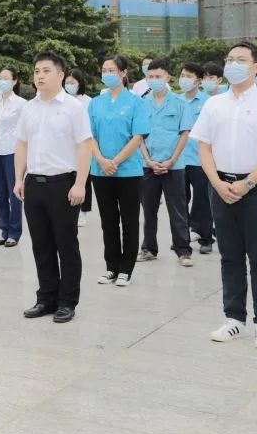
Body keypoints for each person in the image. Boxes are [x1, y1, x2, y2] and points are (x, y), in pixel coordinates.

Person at [190, 41, 257, 351]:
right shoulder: (214, 104)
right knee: (230, 256)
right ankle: (234, 317)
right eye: (230, 59)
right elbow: (204, 147)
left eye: (241, 60)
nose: (233, 64)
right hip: (221, 187)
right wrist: (217, 183)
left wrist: (248, 183)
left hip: (256, 187)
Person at [14, 52, 93, 323]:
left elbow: (85, 146)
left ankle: (67, 301)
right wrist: (18, 178)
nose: (40, 75)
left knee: (66, 245)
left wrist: (80, 184)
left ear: (60, 75)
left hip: (63, 184)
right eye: (37, 70)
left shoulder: (73, 107)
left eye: (46, 70)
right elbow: (21, 144)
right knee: (41, 245)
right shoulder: (29, 107)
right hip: (34, 184)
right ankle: (46, 298)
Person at [88, 55, 149, 287]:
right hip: (100, 170)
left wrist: (115, 161)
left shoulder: (136, 102)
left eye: (111, 70)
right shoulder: (96, 103)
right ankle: (111, 267)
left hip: (128, 172)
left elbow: (138, 136)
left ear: (123, 73)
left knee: (129, 220)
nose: (107, 74)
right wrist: (101, 160)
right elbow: (90, 136)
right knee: (108, 221)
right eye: (104, 70)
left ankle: (126, 268)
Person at [139, 59, 195, 266]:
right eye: (150, 76)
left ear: (168, 78)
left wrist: (172, 160)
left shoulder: (180, 103)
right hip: (148, 165)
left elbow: (184, 133)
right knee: (149, 210)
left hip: (174, 166)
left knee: (178, 210)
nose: (154, 80)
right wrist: (148, 160)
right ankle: (149, 248)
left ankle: (183, 251)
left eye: (158, 76)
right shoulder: (142, 103)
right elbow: (138, 136)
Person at [0, 67, 26, 247]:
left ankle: (14, 233)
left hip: (13, 152)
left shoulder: (21, 104)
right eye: (0, 78)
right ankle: (4, 231)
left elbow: (26, 132)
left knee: (14, 194)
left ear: (14, 81)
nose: (2, 81)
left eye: (6, 78)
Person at [64, 69, 94, 226]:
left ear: (80, 83)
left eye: (72, 83)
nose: (69, 85)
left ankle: (83, 211)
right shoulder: (62, 101)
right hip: (67, 146)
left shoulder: (88, 102)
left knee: (84, 179)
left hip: (83, 145)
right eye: (67, 83)